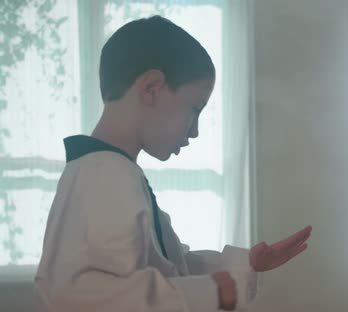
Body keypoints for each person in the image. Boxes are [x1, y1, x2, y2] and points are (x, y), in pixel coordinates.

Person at [34, 15, 312, 312]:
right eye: (194, 110)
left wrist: (245, 264)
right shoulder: (106, 175)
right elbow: (78, 296)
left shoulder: (108, 171)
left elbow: (170, 264)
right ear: (152, 87)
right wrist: (211, 293)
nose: (194, 131)